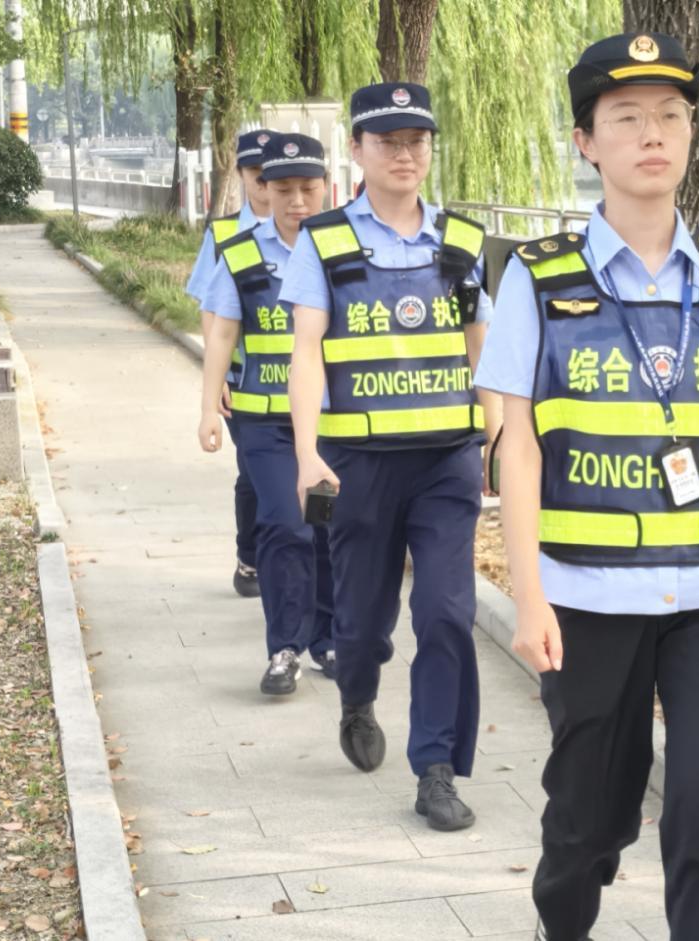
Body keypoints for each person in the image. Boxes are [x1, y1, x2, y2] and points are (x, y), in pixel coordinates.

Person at [474, 33, 699, 941]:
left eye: (670, 115)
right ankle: (563, 925)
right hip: (589, 596)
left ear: (692, 133)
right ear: (587, 141)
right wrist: (528, 595)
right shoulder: (539, 279)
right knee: (590, 816)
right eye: (625, 118)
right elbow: (518, 448)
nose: (651, 134)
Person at [282, 82, 499, 831]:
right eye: (387, 141)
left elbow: (482, 349)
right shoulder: (324, 242)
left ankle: (436, 768)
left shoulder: (462, 243)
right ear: (357, 150)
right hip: (359, 464)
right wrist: (306, 453)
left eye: (417, 140)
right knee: (363, 618)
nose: (404, 154)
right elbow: (306, 351)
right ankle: (357, 694)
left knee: (445, 611)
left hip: (446, 461)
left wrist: (498, 438)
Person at [197, 133, 336, 692]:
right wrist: (208, 406)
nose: (296, 201)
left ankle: (329, 639)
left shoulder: (347, 250)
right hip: (265, 421)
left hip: (334, 420)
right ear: (264, 190)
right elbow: (221, 332)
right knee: (284, 524)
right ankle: (285, 647)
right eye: (283, 190)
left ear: (326, 187)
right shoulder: (240, 253)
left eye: (307, 189)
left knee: (328, 529)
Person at [186, 128, 277, 599]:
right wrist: (215, 378)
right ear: (241, 174)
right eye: (254, 172)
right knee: (254, 470)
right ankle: (251, 557)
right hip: (244, 380)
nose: (263, 182)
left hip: (300, 380)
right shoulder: (224, 235)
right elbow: (211, 311)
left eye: (269, 173)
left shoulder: (311, 229)